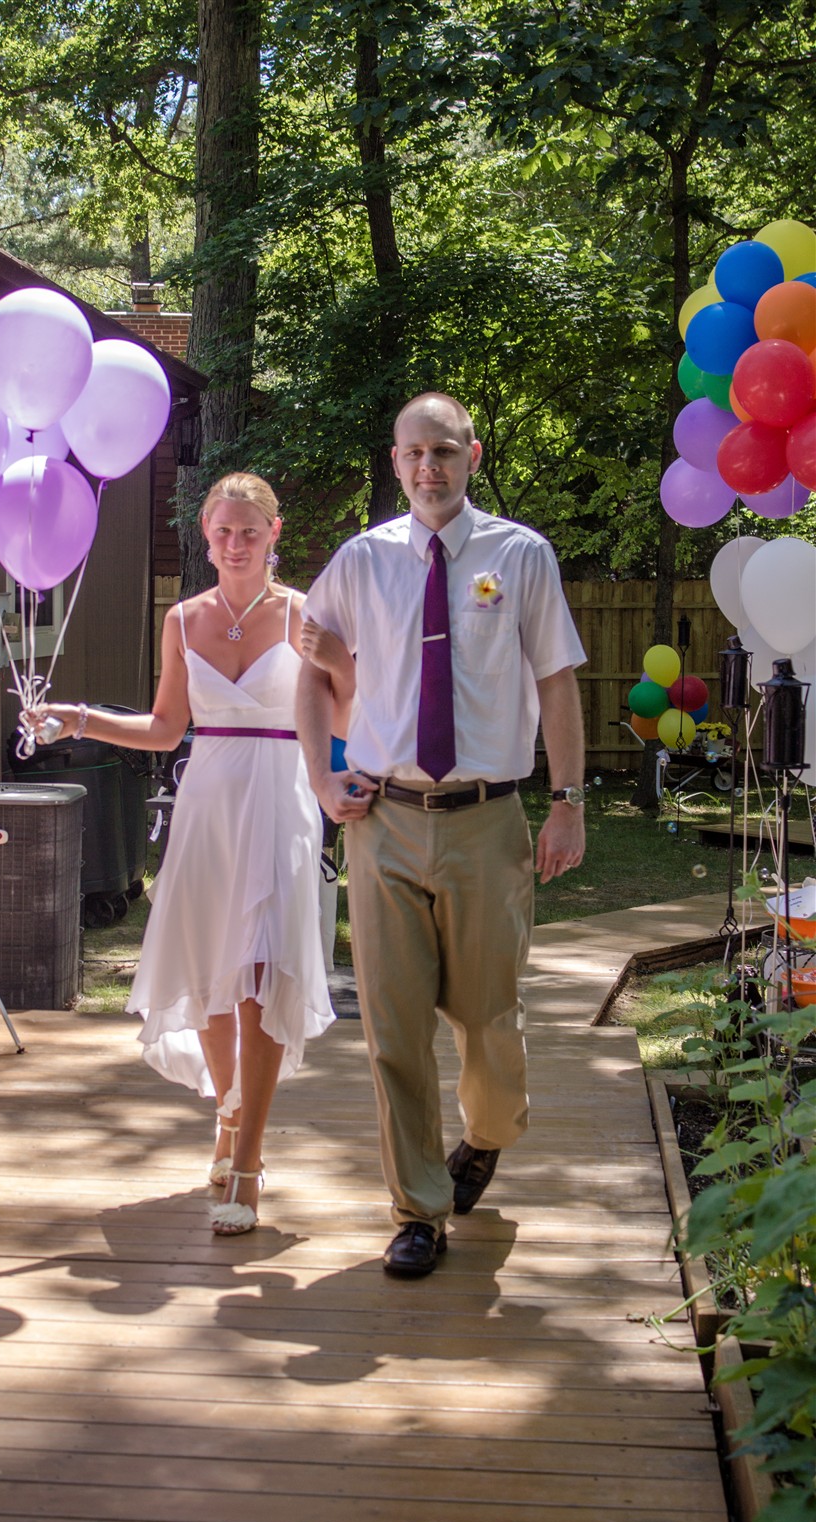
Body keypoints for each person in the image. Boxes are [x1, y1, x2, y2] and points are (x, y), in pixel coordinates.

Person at [296, 393, 587, 1278]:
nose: (430, 467)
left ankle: (489, 1132)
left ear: (473, 455)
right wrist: (322, 778)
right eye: (415, 453)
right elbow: (311, 669)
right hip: (382, 823)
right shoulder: (361, 560)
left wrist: (569, 801)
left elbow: (559, 682)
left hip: (486, 820)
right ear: (396, 461)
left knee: (487, 1019)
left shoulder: (520, 555)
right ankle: (418, 1209)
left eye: (446, 451)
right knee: (392, 1029)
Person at [29, 472, 352, 1235]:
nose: (236, 545)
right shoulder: (181, 620)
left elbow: (347, 716)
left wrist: (340, 662)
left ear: (274, 535)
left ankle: (249, 1160)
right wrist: (79, 718)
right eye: (223, 533)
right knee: (213, 972)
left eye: (249, 532)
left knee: (261, 973)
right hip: (208, 802)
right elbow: (167, 728)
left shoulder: (304, 614)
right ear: (206, 537)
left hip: (279, 797)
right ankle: (229, 1116)